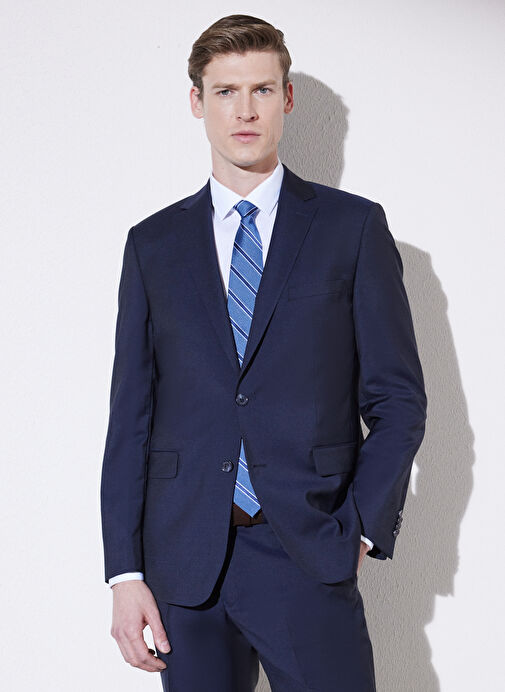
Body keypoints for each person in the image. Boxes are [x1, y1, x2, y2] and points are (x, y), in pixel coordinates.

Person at [100, 13, 427, 692]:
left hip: (308, 551)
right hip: (185, 565)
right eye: (225, 92)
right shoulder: (153, 245)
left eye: (261, 90)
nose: (244, 110)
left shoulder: (351, 228)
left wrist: (359, 531)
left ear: (286, 98)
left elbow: (397, 400)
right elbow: (131, 416)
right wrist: (124, 572)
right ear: (197, 101)